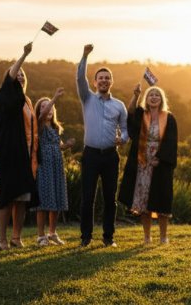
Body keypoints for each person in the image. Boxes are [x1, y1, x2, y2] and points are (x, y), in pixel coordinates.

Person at [76, 43, 129, 248]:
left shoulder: (119, 105)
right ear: (95, 82)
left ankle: (108, 238)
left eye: (107, 78)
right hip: (90, 155)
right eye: (101, 78)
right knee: (87, 198)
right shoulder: (87, 98)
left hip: (110, 156)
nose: (104, 80)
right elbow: (79, 78)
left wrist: (122, 139)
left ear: (111, 82)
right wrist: (84, 56)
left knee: (110, 199)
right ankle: (85, 238)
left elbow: (125, 130)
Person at [118, 84, 178, 246]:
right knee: (144, 201)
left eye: (157, 95)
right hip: (142, 162)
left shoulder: (169, 118)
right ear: (147, 98)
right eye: (150, 95)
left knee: (162, 199)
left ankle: (164, 237)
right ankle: (147, 237)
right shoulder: (141, 115)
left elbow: (171, 141)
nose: (153, 97)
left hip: (160, 164)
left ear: (161, 99)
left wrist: (161, 158)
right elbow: (129, 113)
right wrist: (135, 95)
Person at [0, 41, 40, 250]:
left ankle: (16, 237)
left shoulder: (27, 101)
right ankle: (2, 239)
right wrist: (23, 56)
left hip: (27, 156)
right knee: (8, 195)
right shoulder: (4, 97)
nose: (20, 76)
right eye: (16, 74)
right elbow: (10, 78)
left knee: (23, 197)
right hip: (10, 153)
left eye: (23, 75)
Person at [33, 88, 75, 247]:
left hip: (57, 166)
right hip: (44, 167)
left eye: (50, 107)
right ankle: (41, 236)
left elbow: (59, 146)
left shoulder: (56, 127)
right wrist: (54, 98)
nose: (48, 110)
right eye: (44, 107)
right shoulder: (40, 125)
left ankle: (52, 233)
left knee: (56, 200)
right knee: (43, 202)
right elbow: (42, 116)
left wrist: (67, 145)